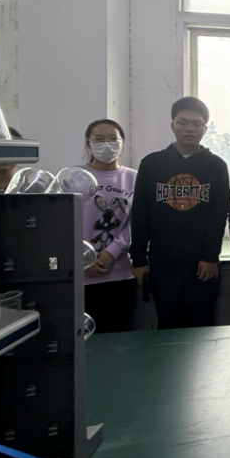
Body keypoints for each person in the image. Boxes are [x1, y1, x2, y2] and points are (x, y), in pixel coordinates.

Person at [130, 97, 230, 330]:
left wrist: (210, 257)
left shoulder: (216, 166)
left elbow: (219, 215)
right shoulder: (152, 164)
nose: (189, 129)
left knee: (202, 327)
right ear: (172, 125)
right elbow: (141, 213)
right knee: (167, 325)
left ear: (205, 128)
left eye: (196, 124)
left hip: (201, 265)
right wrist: (139, 258)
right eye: (183, 122)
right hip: (162, 264)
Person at [82, 119, 138, 333]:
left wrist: (111, 252)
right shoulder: (73, 178)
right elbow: (62, 223)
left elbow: (136, 222)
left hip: (120, 275)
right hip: (81, 276)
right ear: (89, 144)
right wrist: (85, 258)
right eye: (98, 139)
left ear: (122, 142)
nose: (106, 144)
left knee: (118, 337)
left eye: (113, 139)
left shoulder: (134, 178)